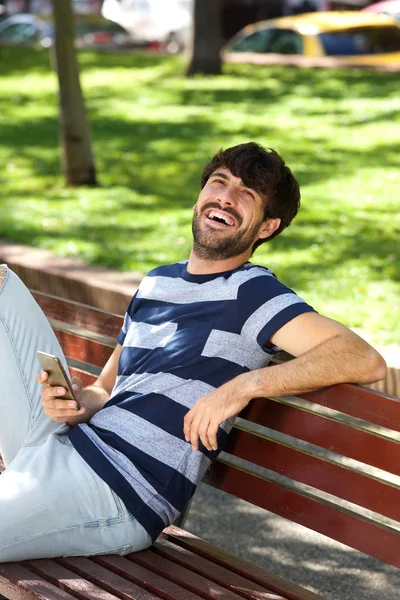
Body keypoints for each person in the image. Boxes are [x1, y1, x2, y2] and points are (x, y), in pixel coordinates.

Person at [0, 142, 386, 563]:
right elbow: (105, 390)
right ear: (202, 196)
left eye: (247, 195)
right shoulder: (156, 283)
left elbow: (363, 358)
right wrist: (73, 404)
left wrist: (244, 385)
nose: (225, 197)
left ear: (266, 227)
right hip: (62, 443)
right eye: (219, 183)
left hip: (114, 490)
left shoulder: (252, 292)